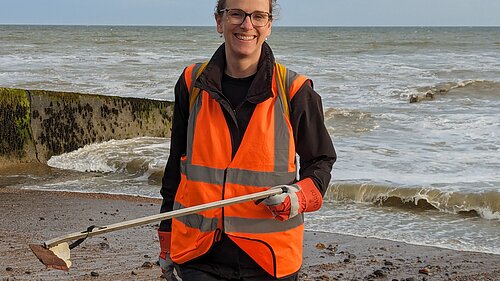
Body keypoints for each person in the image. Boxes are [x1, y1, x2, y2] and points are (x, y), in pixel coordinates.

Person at [158, 0, 336, 280]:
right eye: (236, 14)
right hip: (198, 255)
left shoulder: (295, 90)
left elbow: (321, 160)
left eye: (258, 16)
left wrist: (299, 197)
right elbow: (175, 168)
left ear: (269, 26)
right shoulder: (191, 83)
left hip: (270, 259)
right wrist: (166, 239)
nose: (247, 24)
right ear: (219, 21)